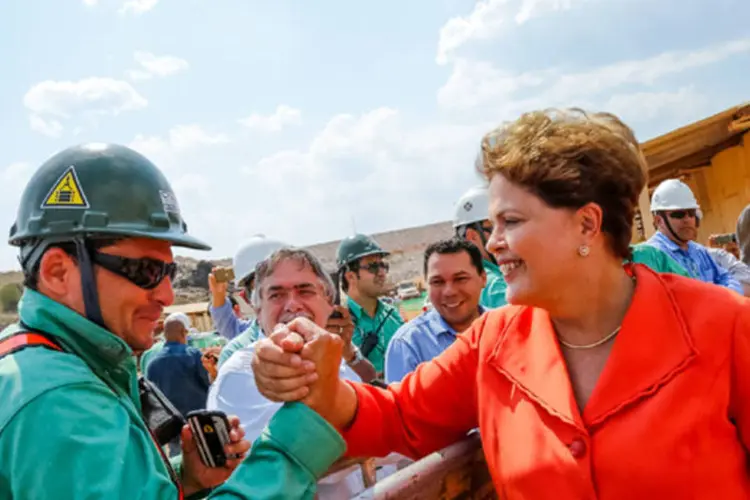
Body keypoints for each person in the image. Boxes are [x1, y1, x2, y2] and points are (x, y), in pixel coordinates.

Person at [251, 109, 750, 499]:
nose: (493, 244)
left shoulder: (724, 328)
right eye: (492, 226)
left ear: (587, 224)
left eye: (510, 222)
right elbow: (399, 416)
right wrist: (318, 380)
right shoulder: (496, 341)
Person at [0, 143, 347, 499]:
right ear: (58, 272)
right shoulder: (58, 401)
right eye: (146, 270)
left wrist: (184, 479)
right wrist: (295, 448)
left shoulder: (46, 362)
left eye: (169, 271)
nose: (166, 295)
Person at [207, 246, 394, 497]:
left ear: (329, 303)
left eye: (305, 291)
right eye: (276, 295)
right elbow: (276, 470)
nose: (293, 305)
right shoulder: (241, 374)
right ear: (258, 312)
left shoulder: (335, 359)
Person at [385, 238, 486, 383]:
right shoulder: (408, 344)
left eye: (460, 279)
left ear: (483, 278)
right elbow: (399, 404)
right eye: (438, 282)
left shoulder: (507, 327)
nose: (449, 292)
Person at [645, 178, 742, 294]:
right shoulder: (653, 256)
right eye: (678, 214)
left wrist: (720, 298)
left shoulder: (699, 251)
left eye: (691, 213)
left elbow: (728, 279)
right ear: (659, 221)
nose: (687, 219)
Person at [146, 312, 214, 457]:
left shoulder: (152, 363)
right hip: (200, 424)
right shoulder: (194, 356)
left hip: (173, 429)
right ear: (184, 332)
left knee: (180, 466)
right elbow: (210, 383)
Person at [211, 235, 287, 367]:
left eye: (300, 288)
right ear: (248, 299)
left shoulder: (326, 341)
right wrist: (218, 295)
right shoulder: (237, 355)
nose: (289, 301)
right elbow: (228, 326)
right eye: (273, 292)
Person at [335, 233, 404, 376]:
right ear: (351, 276)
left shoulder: (393, 316)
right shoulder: (338, 325)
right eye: (372, 267)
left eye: (383, 265)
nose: (382, 273)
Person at [453, 186, 508, 308]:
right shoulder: (494, 285)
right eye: (493, 228)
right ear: (472, 237)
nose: (503, 237)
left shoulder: (462, 278)